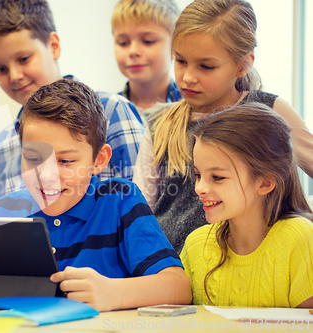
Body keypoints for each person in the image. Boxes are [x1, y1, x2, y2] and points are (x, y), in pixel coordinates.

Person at [0, 79, 191, 312]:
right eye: (34, 158)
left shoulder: (119, 201)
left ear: (99, 160)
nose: (47, 175)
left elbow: (179, 287)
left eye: (65, 161)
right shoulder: (4, 211)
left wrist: (113, 293)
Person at [132, 0, 313, 253]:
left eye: (206, 66)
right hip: (173, 268)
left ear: (243, 64)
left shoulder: (270, 110)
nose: (187, 77)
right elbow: (140, 210)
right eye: (180, 61)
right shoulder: (158, 124)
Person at [0, 0, 144, 204]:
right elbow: (5, 225)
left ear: (54, 46)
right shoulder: (3, 145)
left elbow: (146, 204)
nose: (14, 76)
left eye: (23, 59)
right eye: (1, 69)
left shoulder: (112, 110)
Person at [181, 103, 313, 308]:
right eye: (198, 175)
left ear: (265, 183)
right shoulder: (196, 244)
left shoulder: (298, 237)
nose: (199, 188)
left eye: (217, 177)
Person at [112, 0, 182, 122]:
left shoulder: (194, 108)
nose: (133, 51)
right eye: (123, 43)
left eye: (148, 41)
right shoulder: (105, 111)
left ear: (175, 45)